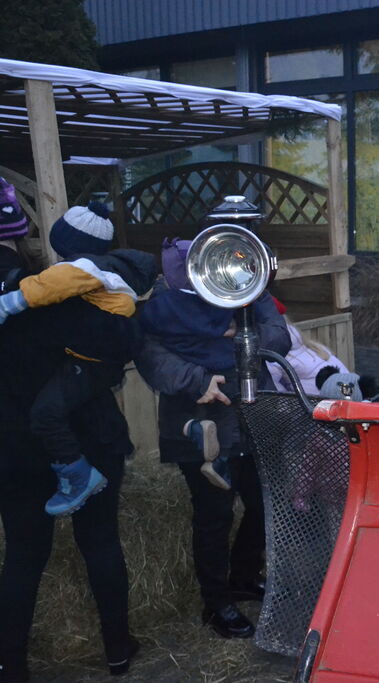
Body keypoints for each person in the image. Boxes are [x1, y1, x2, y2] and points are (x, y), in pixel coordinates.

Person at [0, 184, 138, 680]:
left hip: (13, 445)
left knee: (22, 553)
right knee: (100, 541)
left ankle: (11, 665)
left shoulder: (47, 285)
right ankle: (118, 652)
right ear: (21, 234)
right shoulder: (56, 287)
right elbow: (120, 341)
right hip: (90, 434)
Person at [135, 235, 290, 640]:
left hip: (254, 407)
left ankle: (242, 574)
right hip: (198, 417)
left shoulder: (246, 288)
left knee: (264, 499)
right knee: (213, 514)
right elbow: (150, 356)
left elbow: (280, 332)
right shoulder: (159, 309)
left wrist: (244, 338)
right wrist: (197, 378)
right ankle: (216, 601)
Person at [0, 202, 156, 516]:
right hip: (99, 414)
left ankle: (77, 473)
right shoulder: (98, 273)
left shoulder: (79, 272)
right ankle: (75, 472)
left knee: (46, 413)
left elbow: (46, 289)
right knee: (101, 541)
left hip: (79, 388)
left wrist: (9, 302)